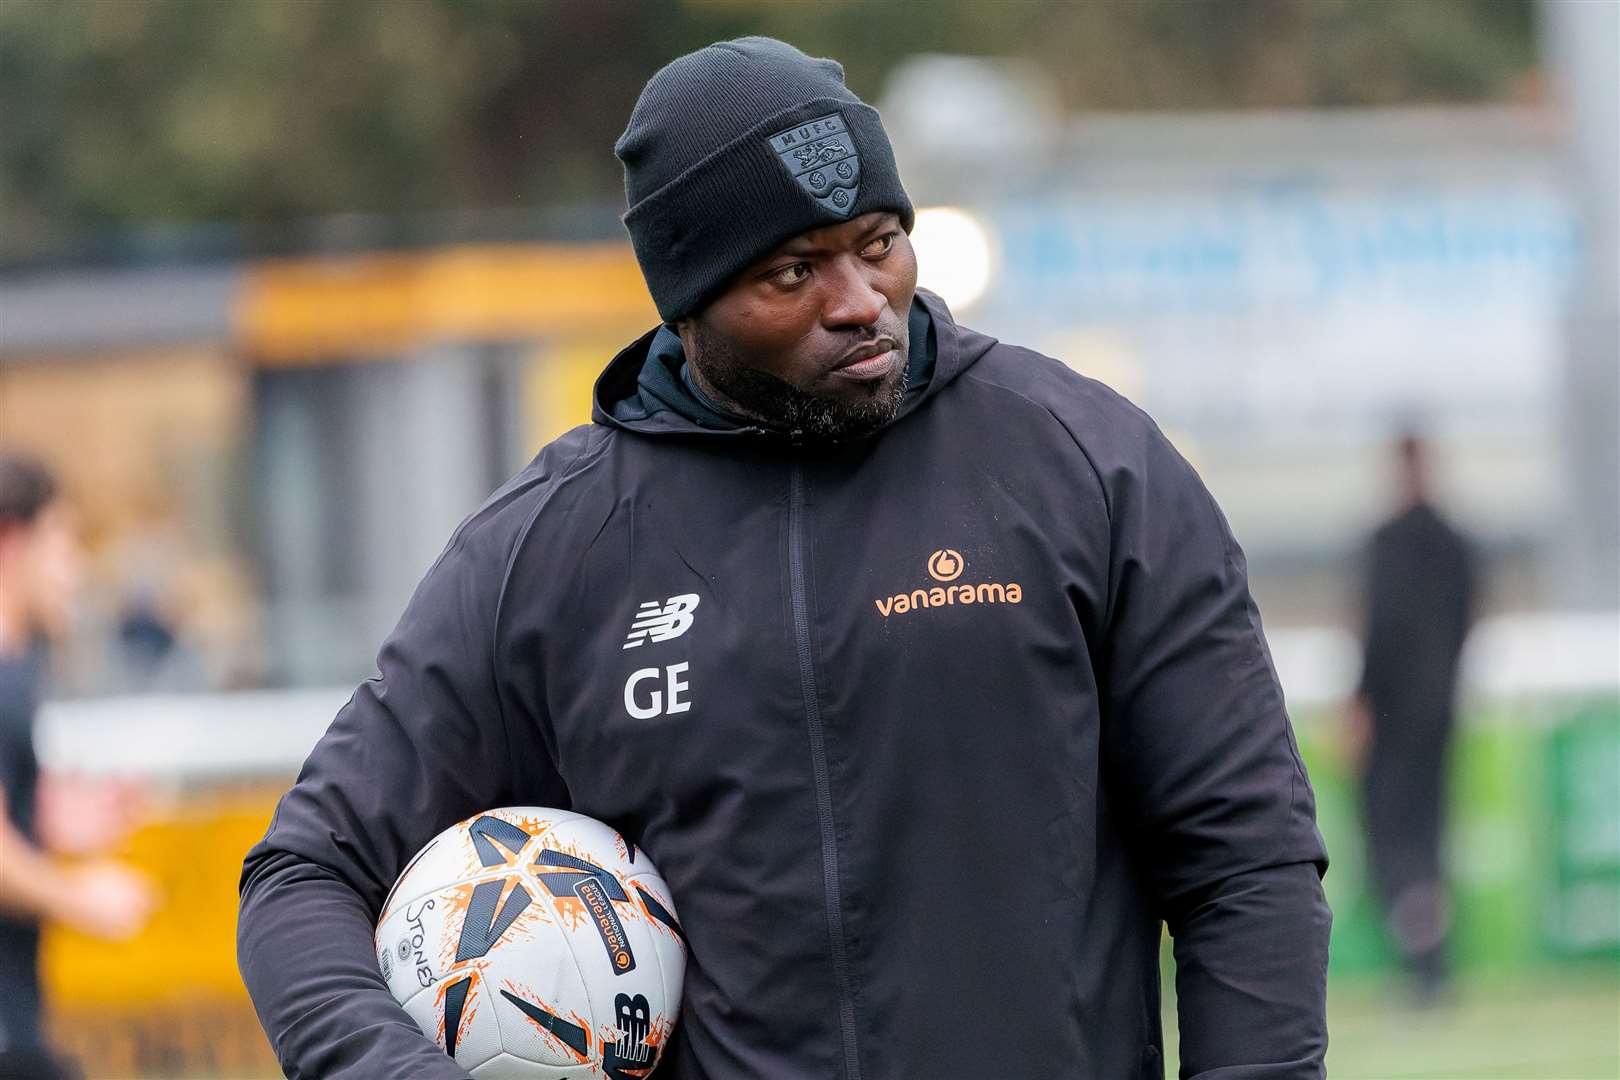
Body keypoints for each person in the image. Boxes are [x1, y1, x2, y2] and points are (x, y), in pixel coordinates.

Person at [239, 38, 1331, 1079]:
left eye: (879, 242)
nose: (860, 302)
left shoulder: (1087, 465)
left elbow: (1248, 857)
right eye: (794, 270)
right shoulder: (550, 551)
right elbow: (302, 875)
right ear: (690, 301)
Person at [0, 453, 156, 1080]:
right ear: (13, 539)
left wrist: (54, 826)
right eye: (63, 540)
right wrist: (82, 898)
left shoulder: (19, 672)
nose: (76, 569)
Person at [1347, 430, 1475, 1000]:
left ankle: (1422, 965)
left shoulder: (1389, 544)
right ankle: (1432, 965)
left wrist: (1361, 702)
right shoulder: (1457, 544)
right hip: (1441, 715)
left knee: (1395, 841)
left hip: (1396, 718)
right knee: (1427, 840)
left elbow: (1380, 632)